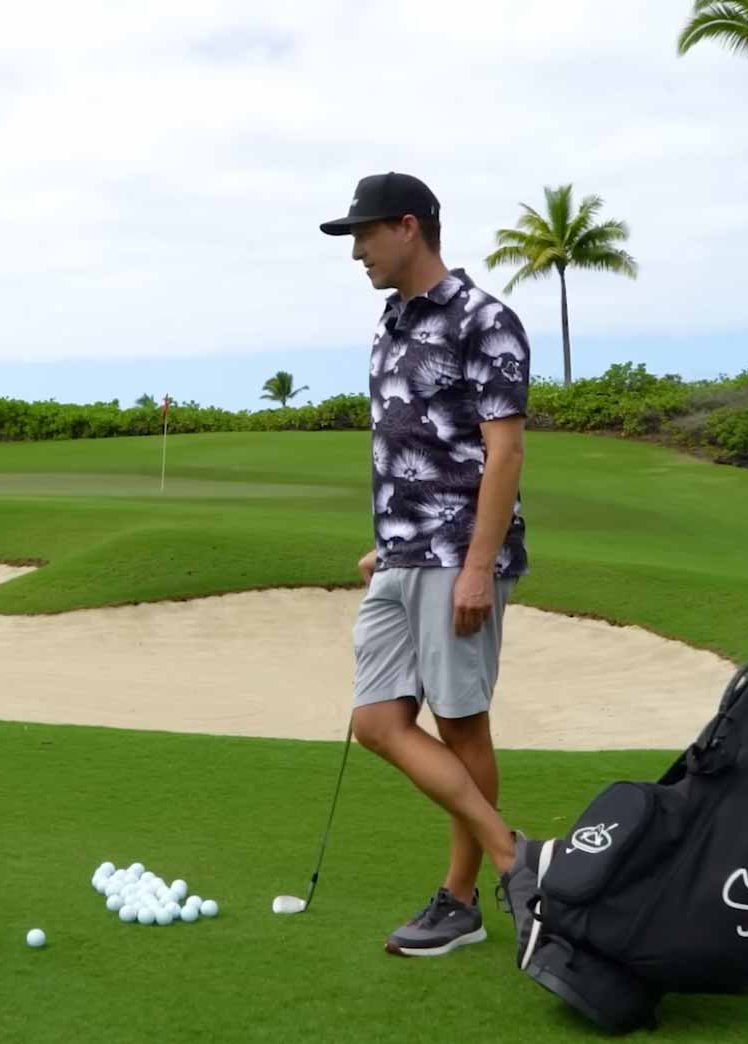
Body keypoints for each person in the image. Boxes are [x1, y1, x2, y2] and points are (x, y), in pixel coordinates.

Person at [319, 173, 542, 959]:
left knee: (459, 721)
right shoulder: (388, 324)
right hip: (404, 552)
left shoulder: (487, 320)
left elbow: (504, 450)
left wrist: (478, 566)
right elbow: (414, 444)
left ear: (408, 227)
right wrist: (392, 535)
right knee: (377, 721)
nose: (357, 252)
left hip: (460, 556)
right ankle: (516, 855)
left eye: (365, 234)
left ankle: (462, 897)